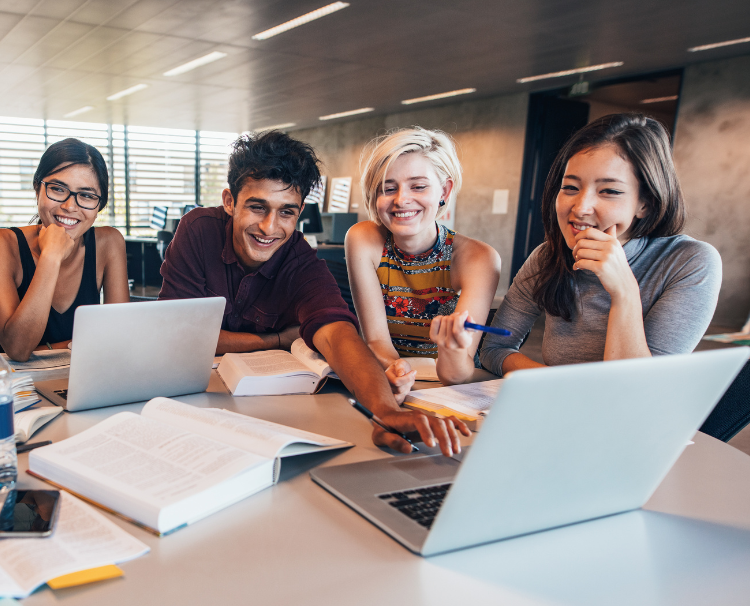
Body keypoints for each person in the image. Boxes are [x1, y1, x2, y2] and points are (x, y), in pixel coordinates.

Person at [159, 130, 469, 456]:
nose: (269, 227)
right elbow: (179, 335)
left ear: (299, 212)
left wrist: (386, 411)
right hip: (188, 400)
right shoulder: (198, 230)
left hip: (259, 409)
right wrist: (275, 339)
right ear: (229, 202)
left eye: (286, 212)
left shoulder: (299, 260)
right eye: (257, 207)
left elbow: (337, 334)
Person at [480, 113, 722, 375]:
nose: (581, 208)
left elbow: (639, 388)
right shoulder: (548, 256)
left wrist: (624, 291)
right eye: (570, 187)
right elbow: (494, 348)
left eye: (609, 191)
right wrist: (554, 387)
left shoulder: (690, 261)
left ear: (646, 202)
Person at [345, 127, 501, 403]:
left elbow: (459, 373)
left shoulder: (479, 259)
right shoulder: (363, 239)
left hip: (452, 392)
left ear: (445, 190)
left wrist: (451, 349)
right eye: (388, 188)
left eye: (418, 186)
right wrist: (398, 370)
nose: (401, 199)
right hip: (392, 380)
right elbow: (377, 342)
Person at [0, 138, 129, 362]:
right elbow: (18, 349)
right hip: (17, 391)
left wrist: (43, 349)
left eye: (87, 195)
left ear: (100, 204)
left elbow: (118, 339)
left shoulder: (109, 243)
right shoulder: (5, 245)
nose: (70, 206)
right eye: (58, 189)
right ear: (37, 188)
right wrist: (51, 256)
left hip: (82, 380)